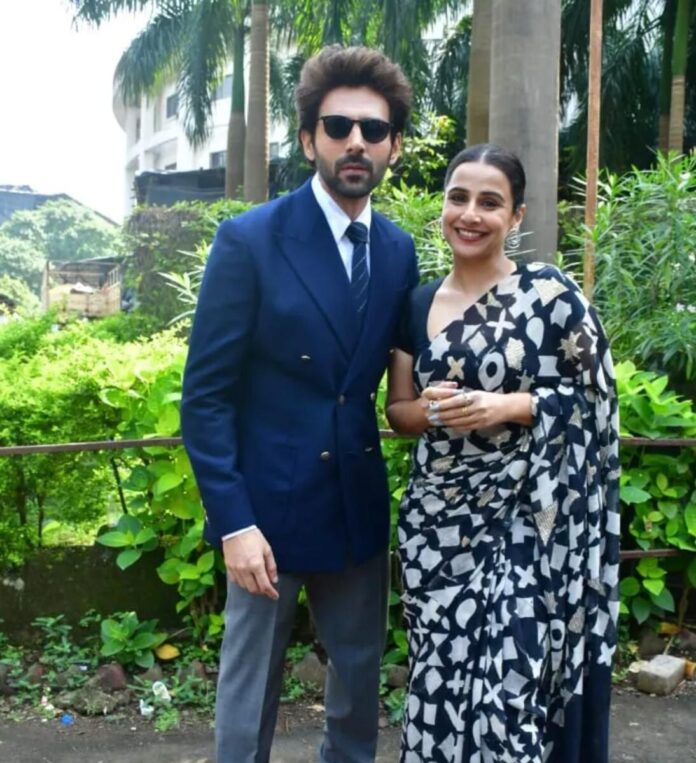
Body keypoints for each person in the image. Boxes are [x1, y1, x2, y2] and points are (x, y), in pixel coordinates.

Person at [180, 45, 418, 763]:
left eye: (373, 130)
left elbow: (402, 374)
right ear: (309, 139)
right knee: (248, 691)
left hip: (355, 506)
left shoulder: (399, 251)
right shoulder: (251, 239)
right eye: (338, 126)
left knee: (358, 686)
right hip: (265, 517)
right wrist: (234, 522)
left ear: (394, 146)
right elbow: (205, 397)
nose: (356, 142)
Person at [386, 144, 620, 763]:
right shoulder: (416, 303)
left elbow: (595, 397)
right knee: (441, 675)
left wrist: (509, 406)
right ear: (442, 206)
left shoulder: (551, 296)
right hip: (438, 528)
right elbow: (398, 411)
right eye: (458, 198)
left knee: (512, 677)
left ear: (516, 217)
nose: (470, 214)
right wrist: (433, 411)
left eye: (490, 202)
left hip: (526, 521)